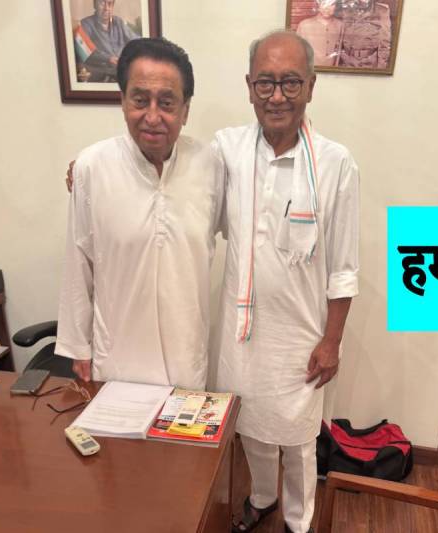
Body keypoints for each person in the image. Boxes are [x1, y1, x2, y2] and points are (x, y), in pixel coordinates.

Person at [213, 31, 359, 533]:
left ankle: (299, 521)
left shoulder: (336, 163)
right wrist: (95, 170)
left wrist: (332, 342)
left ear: (311, 86)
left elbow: (344, 265)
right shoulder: (226, 150)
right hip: (241, 331)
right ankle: (262, 497)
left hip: (300, 337)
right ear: (249, 86)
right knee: (250, 427)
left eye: (290, 82)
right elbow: (177, 177)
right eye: (266, 83)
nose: (277, 96)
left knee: (298, 440)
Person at [56, 37, 223, 390]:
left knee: (184, 427)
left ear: (185, 110)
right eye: (140, 100)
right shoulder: (92, 167)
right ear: (122, 101)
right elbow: (78, 262)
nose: (152, 117)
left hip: (186, 357)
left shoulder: (210, 165)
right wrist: (78, 347)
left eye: (167, 103)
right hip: (118, 359)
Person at [75, 0, 140, 82]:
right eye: (102, 3)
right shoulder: (86, 24)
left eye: (110, 4)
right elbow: (83, 50)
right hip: (102, 72)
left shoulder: (118, 22)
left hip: (122, 68)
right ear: (95, 5)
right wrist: (108, 58)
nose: (106, 8)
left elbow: (135, 40)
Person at [339, 0, 391, 69]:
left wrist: (381, 68)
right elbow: (339, 38)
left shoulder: (381, 10)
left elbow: (385, 43)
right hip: (347, 62)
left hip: (370, 63)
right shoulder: (346, 9)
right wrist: (344, 58)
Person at [295, 0, 344, 67]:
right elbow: (297, 52)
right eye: (323, 3)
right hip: (310, 70)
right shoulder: (304, 25)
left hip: (333, 71)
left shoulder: (340, 25)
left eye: (331, 4)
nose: (327, 8)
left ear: (336, 6)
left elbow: (340, 50)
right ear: (318, 5)